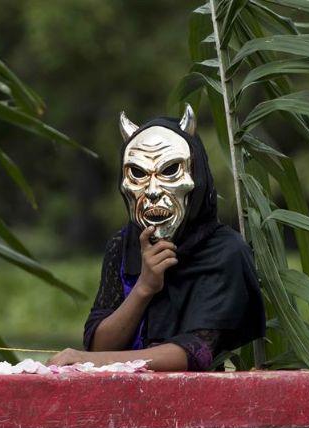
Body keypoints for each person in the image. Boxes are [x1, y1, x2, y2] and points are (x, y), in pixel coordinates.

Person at [47, 104, 265, 371]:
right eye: (138, 174)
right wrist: (144, 287)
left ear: (196, 178)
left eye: (169, 171)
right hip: (120, 404)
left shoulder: (224, 251)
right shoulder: (124, 245)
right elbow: (99, 345)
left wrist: (88, 360)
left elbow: (196, 352)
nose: (151, 191)